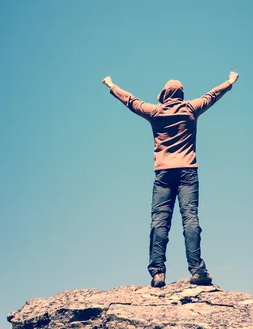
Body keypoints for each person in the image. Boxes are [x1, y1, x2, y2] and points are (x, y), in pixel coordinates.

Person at [102, 72, 240, 288]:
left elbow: (130, 100)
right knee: (190, 219)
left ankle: (158, 273)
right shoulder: (191, 109)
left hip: (164, 173)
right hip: (188, 171)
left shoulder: (155, 112)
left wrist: (111, 85)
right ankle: (197, 270)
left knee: (159, 222)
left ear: (164, 95)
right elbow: (213, 95)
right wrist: (230, 82)